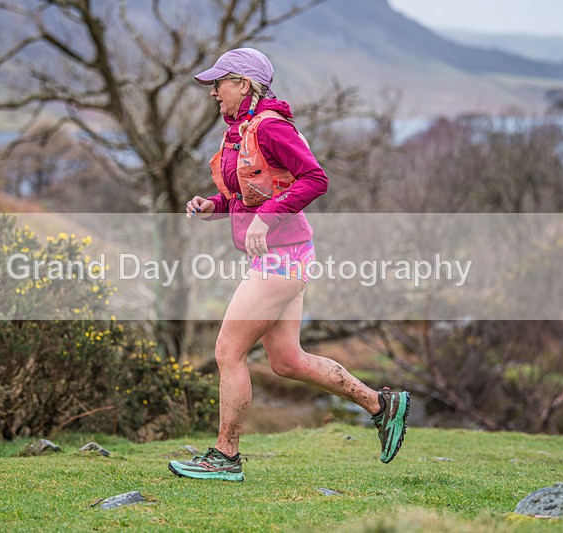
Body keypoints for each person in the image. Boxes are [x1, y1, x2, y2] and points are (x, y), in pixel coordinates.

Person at [168, 48, 409, 482]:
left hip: (282, 258)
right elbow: (248, 194)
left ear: (243, 84)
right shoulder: (239, 133)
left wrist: (266, 217)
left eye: (219, 83)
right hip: (282, 257)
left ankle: (225, 456)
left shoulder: (271, 128)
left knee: (228, 351)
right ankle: (380, 404)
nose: (213, 93)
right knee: (287, 361)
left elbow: (315, 178)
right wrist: (214, 205)